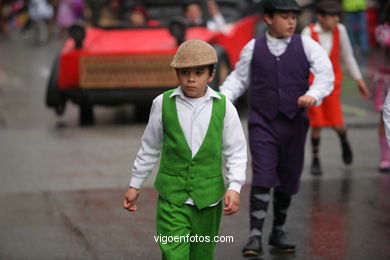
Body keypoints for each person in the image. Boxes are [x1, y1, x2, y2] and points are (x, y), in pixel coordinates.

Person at [219, 0, 335, 256]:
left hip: (294, 123)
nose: (291, 22)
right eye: (285, 17)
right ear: (269, 19)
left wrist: (313, 94)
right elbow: (238, 78)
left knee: (288, 176)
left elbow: (326, 74)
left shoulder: (306, 45)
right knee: (263, 174)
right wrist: (223, 99)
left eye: (294, 16)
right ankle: (254, 236)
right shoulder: (254, 47)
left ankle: (278, 231)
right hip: (263, 122)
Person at [123, 40, 247, 260]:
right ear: (176, 74)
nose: (191, 78)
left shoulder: (224, 106)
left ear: (211, 75)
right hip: (172, 199)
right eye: (185, 72)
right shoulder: (162, 103)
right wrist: (135, 184)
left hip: (208, 201)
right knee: (175, 256)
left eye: (199, 72)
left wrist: (235, 186)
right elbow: (150, 147)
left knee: (202, 256)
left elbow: (235, 151)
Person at [301, 0, 370, 175]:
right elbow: (301, 61)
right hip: (313, 85)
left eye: (337, 16)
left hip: (332, 85)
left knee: (337, 122)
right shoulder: (308, 33)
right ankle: (316, 159)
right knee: (316, 123)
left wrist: (359, 80)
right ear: (321, 17)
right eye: (332, 17)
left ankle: (344, 140)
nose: (336, 20)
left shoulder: (340, 30)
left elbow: (348, 56)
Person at [373, 3, 390, 172]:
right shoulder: (382, 29)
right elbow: (386, 41)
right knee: (383, 118)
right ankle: (385, 157)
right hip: (385, 80)